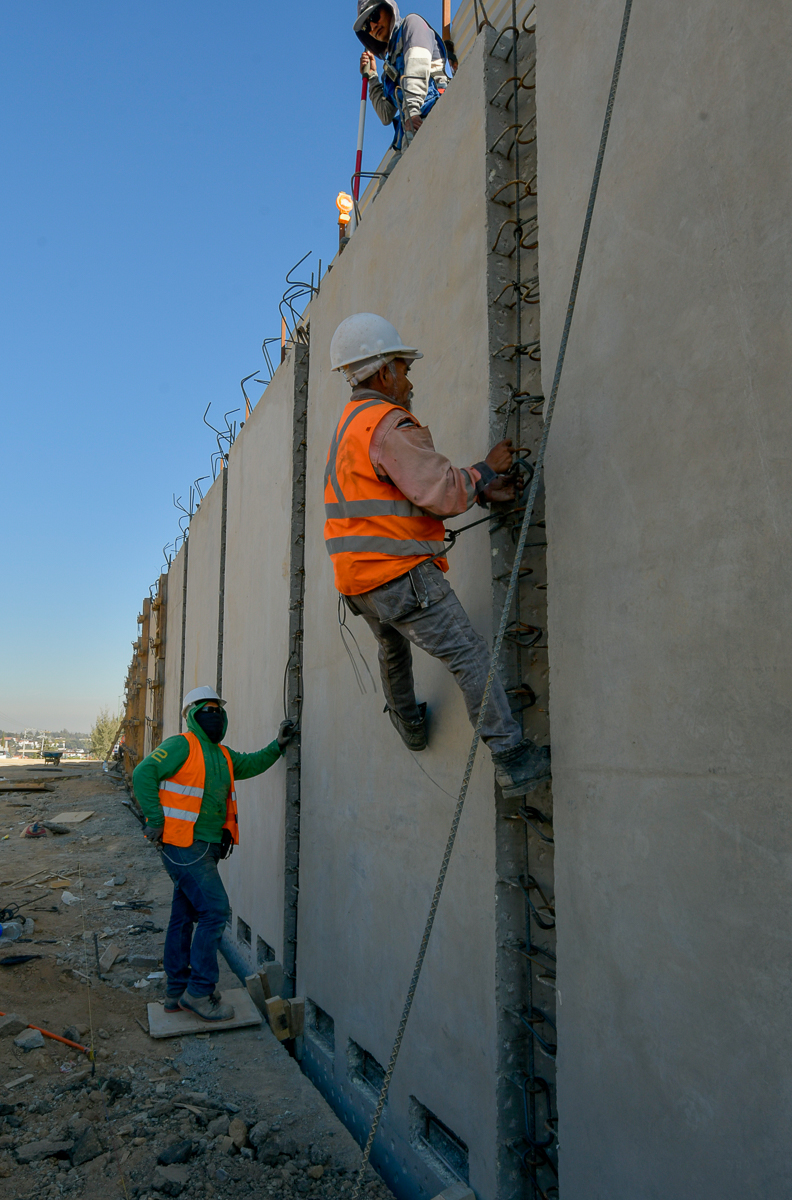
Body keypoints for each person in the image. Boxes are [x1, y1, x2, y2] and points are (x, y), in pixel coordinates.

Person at [325, 313, 551, 799]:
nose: (409, 380)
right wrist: (485, 473)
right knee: (469, 655)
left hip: (357, 583)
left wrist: (484, 494)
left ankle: (408, 723)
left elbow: (391, 499)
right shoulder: (387, 424)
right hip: (400, 576)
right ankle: (513, 758)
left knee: (392, 649)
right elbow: (442, 492)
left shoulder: (349, 426)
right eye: (404, 368)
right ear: (383, 372)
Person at [132, 687, 295, 1022]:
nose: (215, 715)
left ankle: (176, 991)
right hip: (183, 845)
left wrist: (277, 746)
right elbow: (143, 773)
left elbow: (250, 764)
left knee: (184, 915)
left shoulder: (220, 754)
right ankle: (200, 992)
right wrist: (156, 819)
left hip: (205, 847)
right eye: (207, 709)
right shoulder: (182, 745)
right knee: (216, 910)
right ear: (192, 713)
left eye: (218, 709)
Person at [355, 1, 450, 169]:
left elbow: (417, 68)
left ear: (388, 8)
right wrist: (372, 78)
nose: (373, 25)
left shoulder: (412, 24)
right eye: (366, 26)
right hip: (408, 131)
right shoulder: (389, 67)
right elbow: (386, 114)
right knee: (385, 190)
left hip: (431, 114)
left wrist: (412, 113)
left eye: (375, 16)